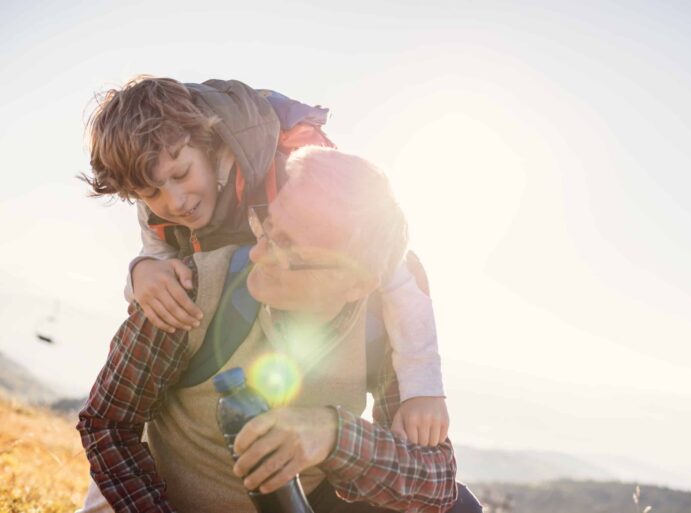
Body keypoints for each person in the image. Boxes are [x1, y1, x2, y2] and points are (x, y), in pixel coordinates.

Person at [77, 147, 480, 513]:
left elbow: (437, 481)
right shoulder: (193, 290)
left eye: (287, 248)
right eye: (266, 224)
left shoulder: (382, 327)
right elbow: (106, 422)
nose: (256, 252)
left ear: (357, 283)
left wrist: (331, 435)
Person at [83, 77, 448, 446]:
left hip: (304, 336)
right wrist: (140, 273)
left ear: (208, 141)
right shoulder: (156, 199)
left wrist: (423, 389)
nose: (175, 201)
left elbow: (396, 271)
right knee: (111, 493)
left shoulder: (290, 169)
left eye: (181, 174)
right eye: (149, 193)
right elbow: (155, 261)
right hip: (222, 348)